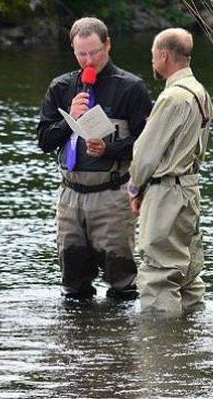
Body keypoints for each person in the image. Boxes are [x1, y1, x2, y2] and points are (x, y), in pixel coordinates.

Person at [37, 17, 152, 302]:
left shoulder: (131, 88)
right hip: (70, 195)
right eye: (81, 54)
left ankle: (119, 341)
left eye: (94, 52)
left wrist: (110, 149)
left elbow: (147, 145)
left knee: (122, 278)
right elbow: (43, 141)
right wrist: (70, 120)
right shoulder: (61, 87)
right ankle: (79, 342)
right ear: (73, 51)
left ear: (108, 45)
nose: (88, 60)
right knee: (73, 280)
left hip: (112, 194)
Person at [128, 28, 213, 315]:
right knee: (188, 272)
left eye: (153, 55)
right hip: (189, 188)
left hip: (166, 192)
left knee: (158, 274)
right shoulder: (200, 92)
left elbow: (145, 154)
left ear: (164, 55)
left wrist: (134, 188)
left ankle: (160, 351)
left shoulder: (172, 98)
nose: (152, 61)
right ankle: (190, 342)